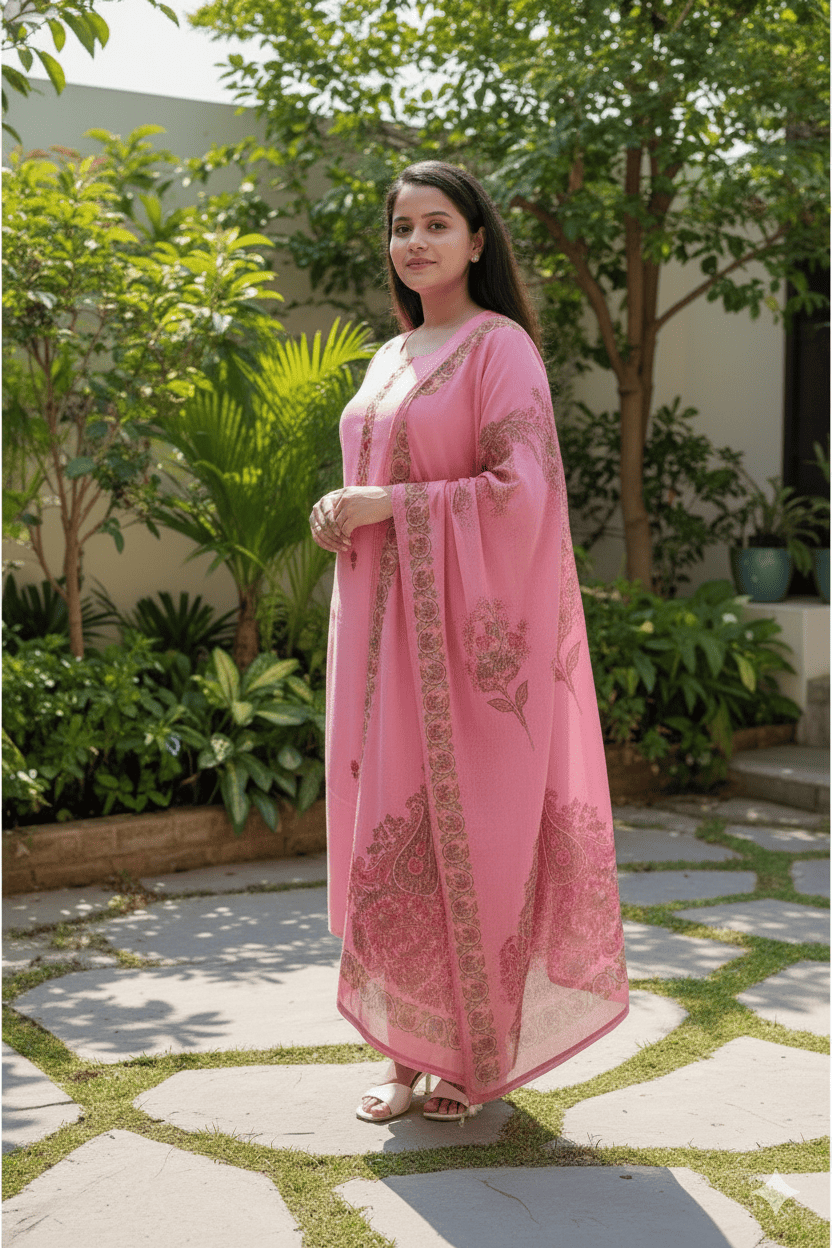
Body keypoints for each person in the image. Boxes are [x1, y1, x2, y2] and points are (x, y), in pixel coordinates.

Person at [310, 161, 628, 1124]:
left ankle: (466, 1058)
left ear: (477, 240)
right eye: (401, 227)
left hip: (462, 652)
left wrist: (389, 504)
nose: (413, 243)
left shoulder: (501, 350)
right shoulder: (389, 355)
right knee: (378, 833)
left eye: (435, 224)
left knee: (467, 839)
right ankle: (400, 1056)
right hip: (372, 641)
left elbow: (521, 492)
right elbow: (373, 476)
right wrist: (341, 509)